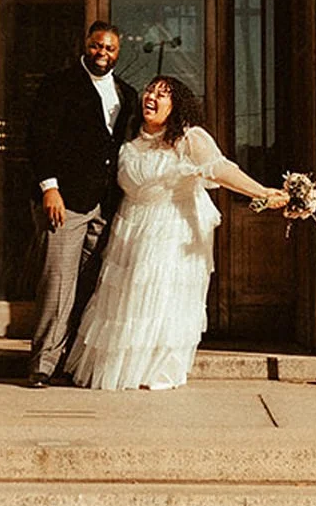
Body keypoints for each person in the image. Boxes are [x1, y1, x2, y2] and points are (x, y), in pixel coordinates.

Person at [65, 75, 283, 392]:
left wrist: (260, 191)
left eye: (162, 94)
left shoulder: (189, 138)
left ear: (175, 104)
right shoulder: (130, 138)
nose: (151, 97)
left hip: (171, 229)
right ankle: (123, 368)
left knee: (161, 297)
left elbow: (221, 170)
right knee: (127, 298)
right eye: (149, 90)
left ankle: (156, 369)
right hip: (131, 227)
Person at [22, 20, 137, 389]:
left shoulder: (128, 94)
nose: (102, 53)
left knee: (91, 287)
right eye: (97, 46)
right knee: (57, 283)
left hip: (106, 204)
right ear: (85, 45)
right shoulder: (58, 85)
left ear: (118, 54)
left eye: (110, 49)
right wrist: (49, 188)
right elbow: (40, 138)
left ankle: (72, 361)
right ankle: (42, 364)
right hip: (66, 201)